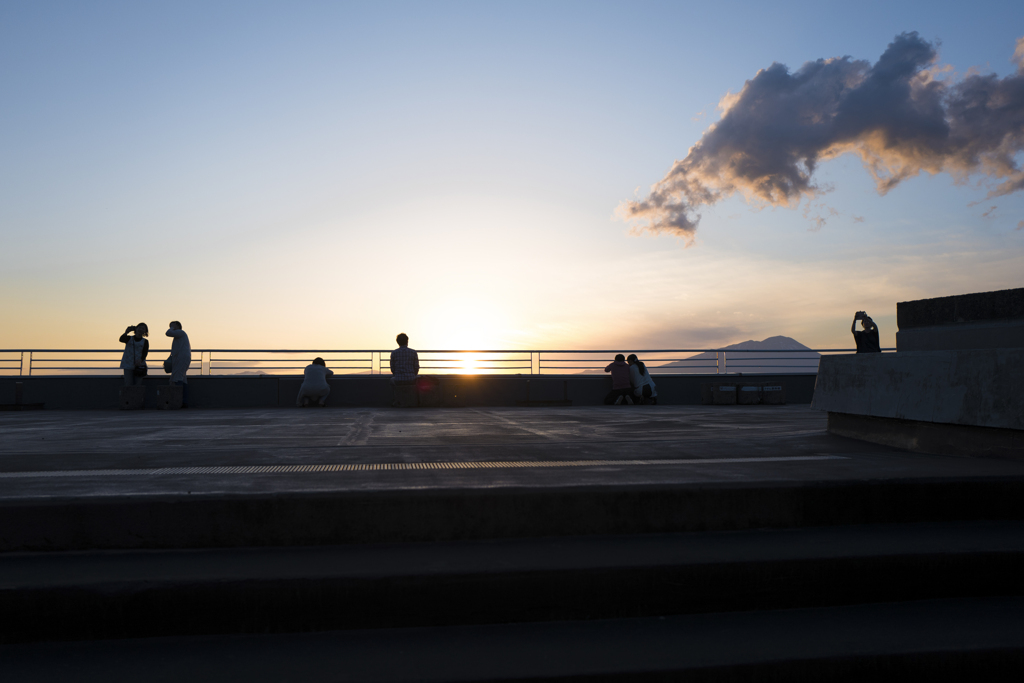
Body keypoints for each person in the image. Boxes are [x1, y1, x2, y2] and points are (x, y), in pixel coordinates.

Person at [165, 321, 191, 408]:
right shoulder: (180, 335)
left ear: (177, 326)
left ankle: (179, 400)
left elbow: (168, 333)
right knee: (182, 378)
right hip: (181, 358)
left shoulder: (181, 332)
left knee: (178, 377)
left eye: (172, 325)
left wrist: (172, 328)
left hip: (181, 359)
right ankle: (184, 401)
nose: (170, 327)